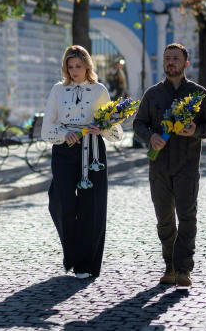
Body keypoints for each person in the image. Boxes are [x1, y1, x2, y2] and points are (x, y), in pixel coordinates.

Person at [133, 43, 206, 287]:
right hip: (158, 166)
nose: (170, 62)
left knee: (187, 216)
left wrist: (194, 130)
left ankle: (183, 269)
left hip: (187, 165)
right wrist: (150, 137)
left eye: (175, 58)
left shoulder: (198, 93)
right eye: (167, 58)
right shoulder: (152, 94)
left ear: (185, 64)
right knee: (164, 219)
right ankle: (169, 265)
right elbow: (139, 124)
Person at [41, 45, 122, 279]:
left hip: (93, 151)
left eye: (78, 66)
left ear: (87, 65)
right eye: (70, 66)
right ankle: (72, 253)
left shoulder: (99, 90)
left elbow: (116, 132)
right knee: (61, 202)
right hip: (64, 151)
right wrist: (62, 134)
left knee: (92, 208)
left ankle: (86, 264)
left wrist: (103, 128)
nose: (74, 71)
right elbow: (47, 130)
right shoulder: (58, 90)